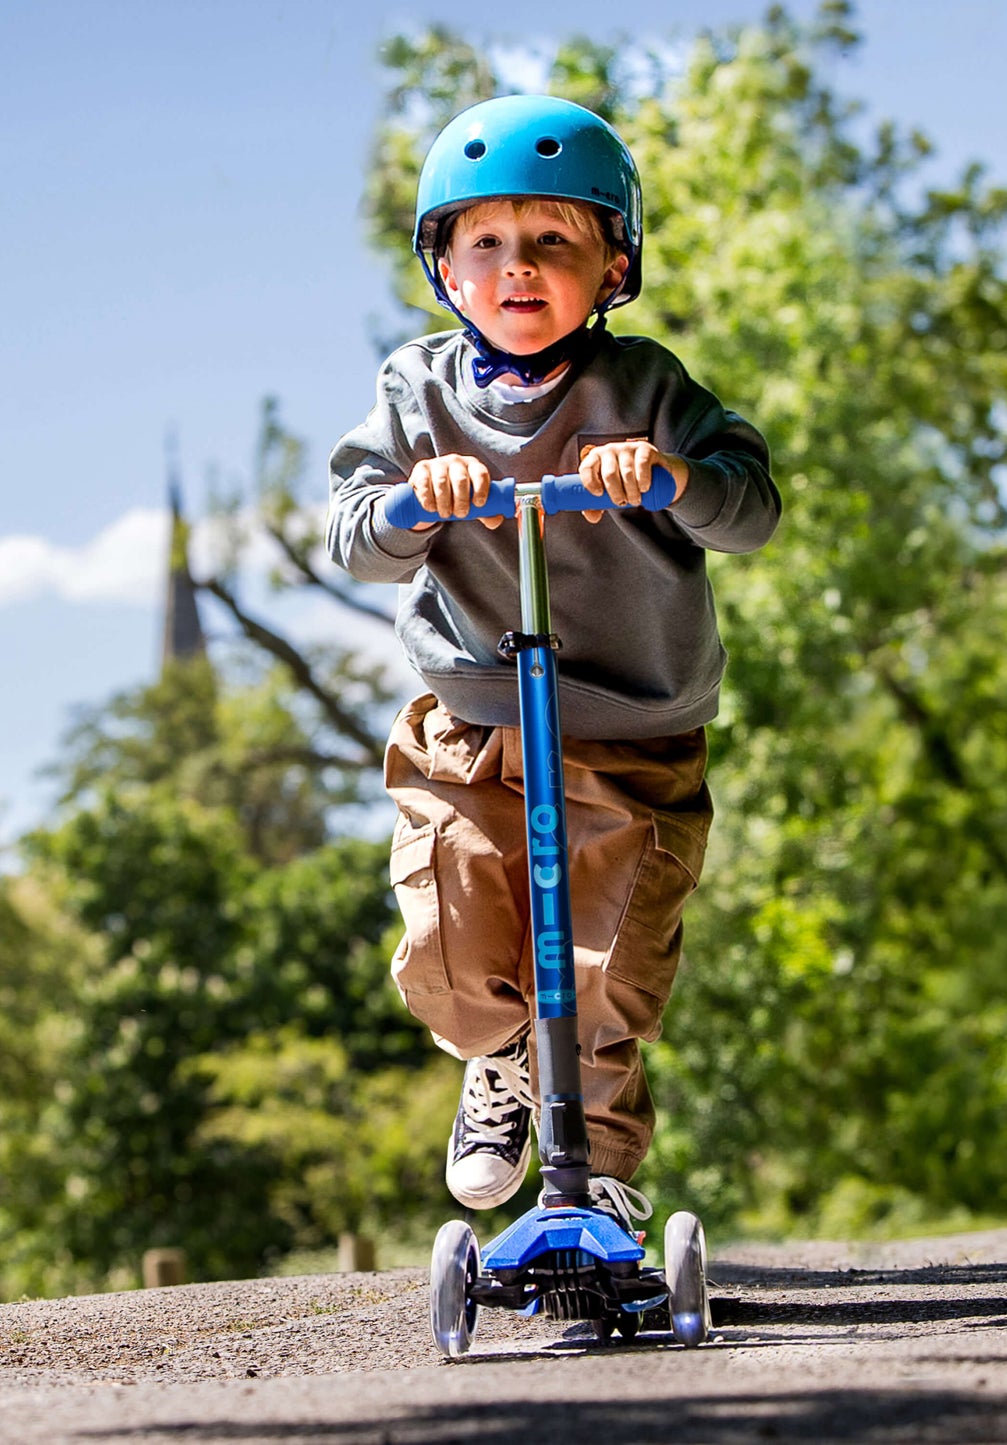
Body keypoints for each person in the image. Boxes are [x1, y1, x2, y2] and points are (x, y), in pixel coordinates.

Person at [326, 94, 779, 1232]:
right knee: (446, 938)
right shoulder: (415, 392)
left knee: (605, 970)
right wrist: (405, 504)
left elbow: (750, 510)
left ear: (611, 263)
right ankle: (497, 1061)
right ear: (443, 266)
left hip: (628, 726)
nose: (516, 267)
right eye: (484, 242)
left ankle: (605, 1177)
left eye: (552, 241)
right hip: (472, 713)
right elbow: (349, 534)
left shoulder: (646, 389)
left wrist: (668, 475)